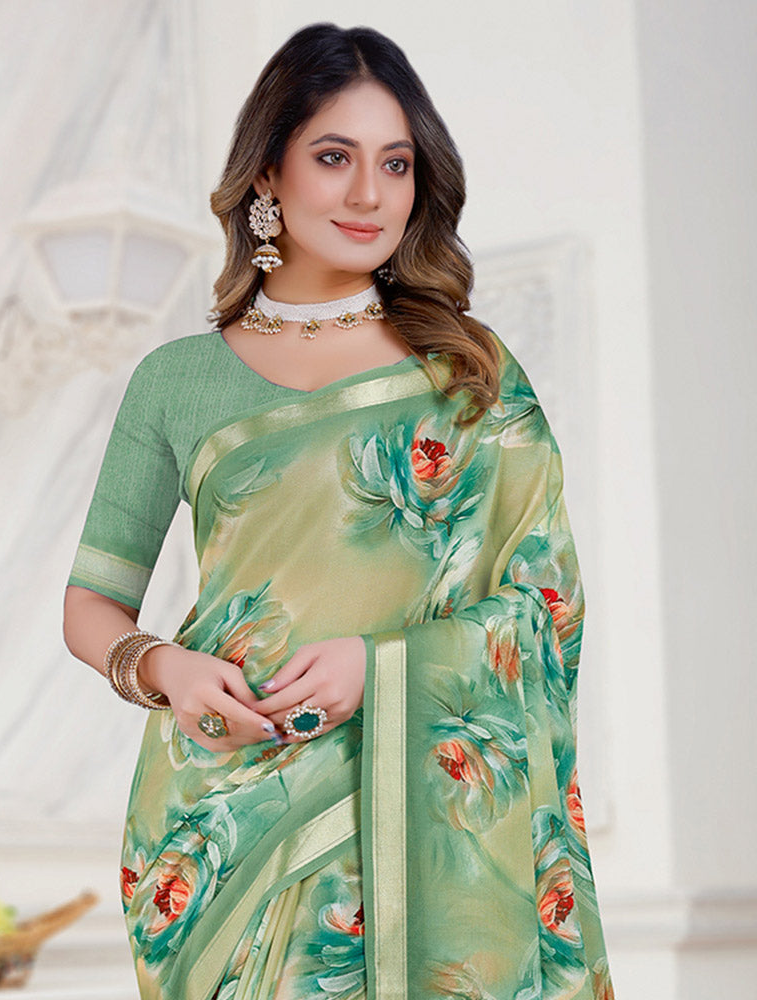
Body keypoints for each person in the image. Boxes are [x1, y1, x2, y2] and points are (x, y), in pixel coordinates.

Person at [62, 21, 616, 1000]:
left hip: (425, 807)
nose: (368, 194)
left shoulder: (468, 373)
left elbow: (547, 606)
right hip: (225, 814)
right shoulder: (175, 381)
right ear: (266, 173)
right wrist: (166, 669)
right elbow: (90, 604)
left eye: (395, 164)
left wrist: (383, 667)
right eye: (333, 157)